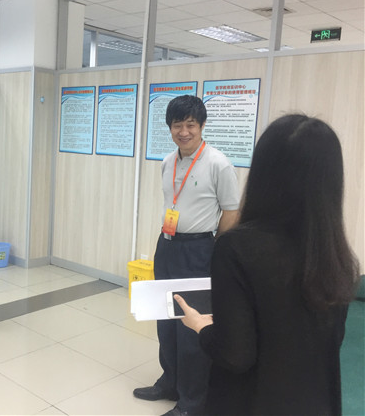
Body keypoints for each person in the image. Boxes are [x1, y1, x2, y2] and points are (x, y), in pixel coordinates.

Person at [175, 114, 359, 416]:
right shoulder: (337, 254)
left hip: (252, 400)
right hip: (315, 399)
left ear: (264, 173)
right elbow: (329, 339)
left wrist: (202, 326)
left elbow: (235, 354)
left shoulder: (237, 248)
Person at [133, 95, 240, 416]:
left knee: (191, 327)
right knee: (165, 320)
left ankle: (192, 402)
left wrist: (215, 252)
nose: (183, 132)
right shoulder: (167, 161)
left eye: (190, 125)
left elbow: (231, 212)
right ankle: (170, 382)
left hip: (198, 250)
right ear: (169, 127)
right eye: (177, 125)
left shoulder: (219, 164)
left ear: (202, 125)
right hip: (167, 245)